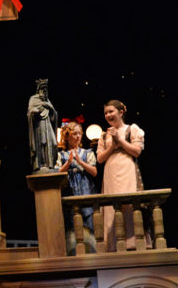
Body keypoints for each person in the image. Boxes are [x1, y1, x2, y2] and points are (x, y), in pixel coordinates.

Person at [96, 99, 145, 251]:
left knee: (129, 205)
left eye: (111, 111)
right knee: (112, 206)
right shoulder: (104, 135)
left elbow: (137, 152)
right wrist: (112, 146)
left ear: (121, 112)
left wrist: (120, 140)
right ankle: (113, 244)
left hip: (127, 170)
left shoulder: (132, 129)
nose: (108, 115)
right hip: (111, 172)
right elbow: (100, 159)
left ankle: (133, 243)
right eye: (105, 113)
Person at [58, 121, 98, 253]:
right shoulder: (61, 155)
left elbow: (94, 172)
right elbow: (58, 173)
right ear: (67, 136)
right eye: (74, 134)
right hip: (69, 191)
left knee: (89, 222)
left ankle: (92, 252)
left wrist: (80, 162)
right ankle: (72, 253)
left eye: (79, 133)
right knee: (71, 223)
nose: (78, 136)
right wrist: (69, 162)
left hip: (86, 190)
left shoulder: (87, 153)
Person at [27, 79, 59, 172]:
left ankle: (50, 164)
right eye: (42, 88)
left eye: (46, 89)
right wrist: (34, 111)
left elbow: (54, 115)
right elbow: (30, 111)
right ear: (38, 89)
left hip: (48, 125)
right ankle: (42, 164)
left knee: (53, 143)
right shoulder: (33, 99)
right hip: (39, 125)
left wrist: (50, 107)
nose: (44, 91)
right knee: (42, 143)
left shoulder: (47, 101)